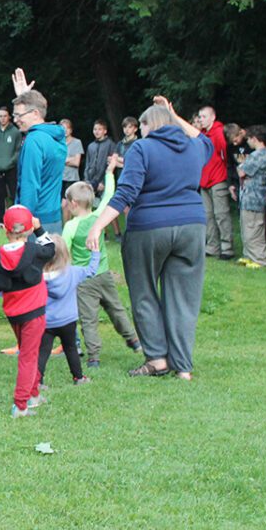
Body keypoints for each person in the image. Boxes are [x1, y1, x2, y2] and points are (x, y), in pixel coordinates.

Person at [86, 96, 212, 381]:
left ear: (147, 124)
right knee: (183, 298)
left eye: (141, 125)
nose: (139, 131)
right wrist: (173, 114)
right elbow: (206, 140)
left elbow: (126, 192)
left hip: (149, 227)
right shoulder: (195, 147)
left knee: (144, 291)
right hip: (192, 226)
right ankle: (183, 368)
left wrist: (97, 226)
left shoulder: (142, 148)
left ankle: (157, 359)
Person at [62, 157, 141, 368]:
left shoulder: (70, 227)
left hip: (83, 280)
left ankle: (94, 357)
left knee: (89, 319)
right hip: (104, 274)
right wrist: (110, 171)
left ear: (73, 204)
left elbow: (63, 253)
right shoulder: (100, 217)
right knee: (116, 309)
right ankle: (133, 340)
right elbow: (109, 195)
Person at [0, 205, 55, 417]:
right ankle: (21, 404)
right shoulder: (34, 251)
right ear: (27, 231)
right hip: (34, 313)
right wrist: (39, 229)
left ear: (6, 231)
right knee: (28, 356)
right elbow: (51, 249)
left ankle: (33, 393)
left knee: (28, 351)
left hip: (13, 313)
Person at [12, 69, 66, 233]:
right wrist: (25, 96)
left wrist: (21, 225)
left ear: (35, 114)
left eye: (18, 115)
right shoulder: (56, 135)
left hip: (35, 221)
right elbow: (38, 106)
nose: (15, 120)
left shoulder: (34, 141)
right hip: (54, 218)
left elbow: (30, 184)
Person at [39, 238, 97, 387]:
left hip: (46, 321)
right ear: (65, 254)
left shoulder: (38, 276)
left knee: (43, 351)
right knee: (71, 348)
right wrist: (95, 253)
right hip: (68, 321)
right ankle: (78, 378)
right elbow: (91, 271)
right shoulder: (73, 272)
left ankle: (37, 382)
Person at [196, 106, 234, 259]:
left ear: (213, 117)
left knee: (221, 214)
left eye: (204, 116)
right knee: (208, 215)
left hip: (217, 179)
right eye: (199, 117)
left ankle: (227, 247)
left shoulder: (218, 132)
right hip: (204, 180)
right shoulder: (203, 134)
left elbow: (225, 156)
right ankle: (212, 246)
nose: (201, 120)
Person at [236, 126, 266, 268]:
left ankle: (260, 258)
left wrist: (241, 166)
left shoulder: (259, 155)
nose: (248, 142)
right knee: (247, 228)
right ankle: (249, 255)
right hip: (249, 197)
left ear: (255, 139)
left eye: (249, 139)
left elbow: (241, 172)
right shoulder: (259, 154)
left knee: (254, 228)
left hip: (254, 198)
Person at [0, 107, 21, 229]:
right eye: (0, 116)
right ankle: (0, 220)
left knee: (14, 194)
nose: (2, 118)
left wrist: (11, 162)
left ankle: (16, 220)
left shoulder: (15, 132)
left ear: (9, 117)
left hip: (11, 168)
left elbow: (18, 150)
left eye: (5, 116)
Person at [84, 119, 116, 197]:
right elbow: (87, 164)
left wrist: (104, 182)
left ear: (105, 131)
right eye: (95, 129)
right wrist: (86, 180)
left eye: (99, 129)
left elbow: (111, 165)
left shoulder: (110, 144)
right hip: (90, 181)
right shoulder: (91, 146)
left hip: (102, 182)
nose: (97, 131)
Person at [60, 119, 83, 199]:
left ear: (71, 130)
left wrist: (63, 160)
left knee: (68, 204)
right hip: (59, 177)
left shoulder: (77, 142)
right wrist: (70, 159)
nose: (65, 130)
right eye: (63, 128)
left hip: (72, 178)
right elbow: (55, 160)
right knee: (59, 204)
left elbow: (76, 162)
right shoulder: (58, 143)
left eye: (67, 128)